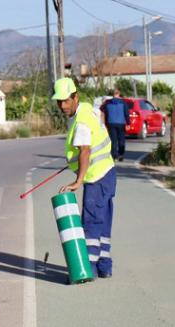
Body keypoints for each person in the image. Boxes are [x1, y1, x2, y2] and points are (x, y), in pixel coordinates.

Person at [53, 77, 116, 279]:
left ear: (75, 97)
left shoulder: (80, 121)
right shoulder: (89, 109)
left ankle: (87, 267)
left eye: (66, 101)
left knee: (90, 222)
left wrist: (78, 181)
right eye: (59, 101)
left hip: (96, 177)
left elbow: (85, 151)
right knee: (103, 221)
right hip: (107, 172)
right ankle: (104, 266)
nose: (62, 106)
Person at [101, 89, 130, 162]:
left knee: (113, 140)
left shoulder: (107, 103)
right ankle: (121, 155)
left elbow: (102, 109)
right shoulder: (123, 103)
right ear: (119, 94)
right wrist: (128, 123)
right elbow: (126, 114)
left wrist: (104, 122)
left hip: (111, 123)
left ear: (112, 94)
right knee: (121, 140)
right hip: (121, 123)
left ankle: (114, 156)